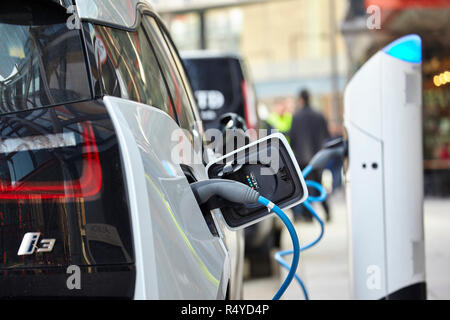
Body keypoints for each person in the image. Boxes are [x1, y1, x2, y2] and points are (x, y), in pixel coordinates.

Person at [289, 88, 331, 221]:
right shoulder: (319, 115)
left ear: (301, 99)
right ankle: (327, 212)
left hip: (302, 158)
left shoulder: (296, 117)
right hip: (318, 157)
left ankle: (308, 216)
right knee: (319, 186)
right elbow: (326, 135)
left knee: (304, 187)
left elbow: (293, 138)